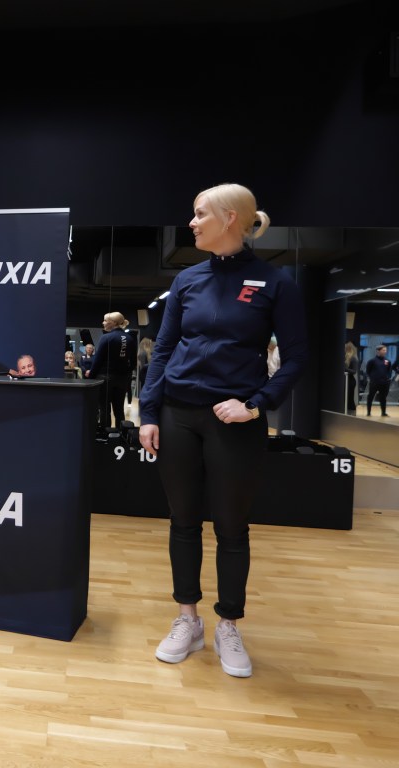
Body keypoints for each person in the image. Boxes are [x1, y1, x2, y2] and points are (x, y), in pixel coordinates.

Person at [139, 183, 308, 678]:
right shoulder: (187, 280)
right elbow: (162, 350)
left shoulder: (275, 283)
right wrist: (148, 413)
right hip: (177, 415)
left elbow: (296, 358)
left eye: (199, 214)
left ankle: (228, 624)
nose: (191, 223)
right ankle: (187, 619)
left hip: (234, 422)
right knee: (182, 520)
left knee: (231, 527)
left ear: (230, 218)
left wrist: (256, 405)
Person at [93, 311, 137, 427]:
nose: (103, 323)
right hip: (122, 379)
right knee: (119, 410)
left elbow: (98, 360)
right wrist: (125, 373)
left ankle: (105, 434)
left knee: (104, 409)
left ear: (113, 323)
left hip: (105, 378)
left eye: (105, 321)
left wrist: (91, 375)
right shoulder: (130, 338)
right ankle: (121, 434)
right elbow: (133, 362)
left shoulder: (106, 337)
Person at [365, 344, 394, 417]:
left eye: (385, 350)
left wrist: (388, 378)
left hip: (384, 383)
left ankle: (383, 413)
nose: (385, 351)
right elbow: (368, 371)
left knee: (383, 398)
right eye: (383, 350)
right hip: (374, 383)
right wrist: (371, 378)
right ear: (378, 351)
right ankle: (368, 412)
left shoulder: (387, 361)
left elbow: (389, 371)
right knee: (370, 397)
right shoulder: (372, 361)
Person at [344, 341, 360, 413]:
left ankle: (351, 414)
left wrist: (344, 369)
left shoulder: (353, 359)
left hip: (350, 381)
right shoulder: (345, 358)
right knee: (346, 398)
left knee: (349, 398)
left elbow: (354, 371)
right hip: (346, 380)